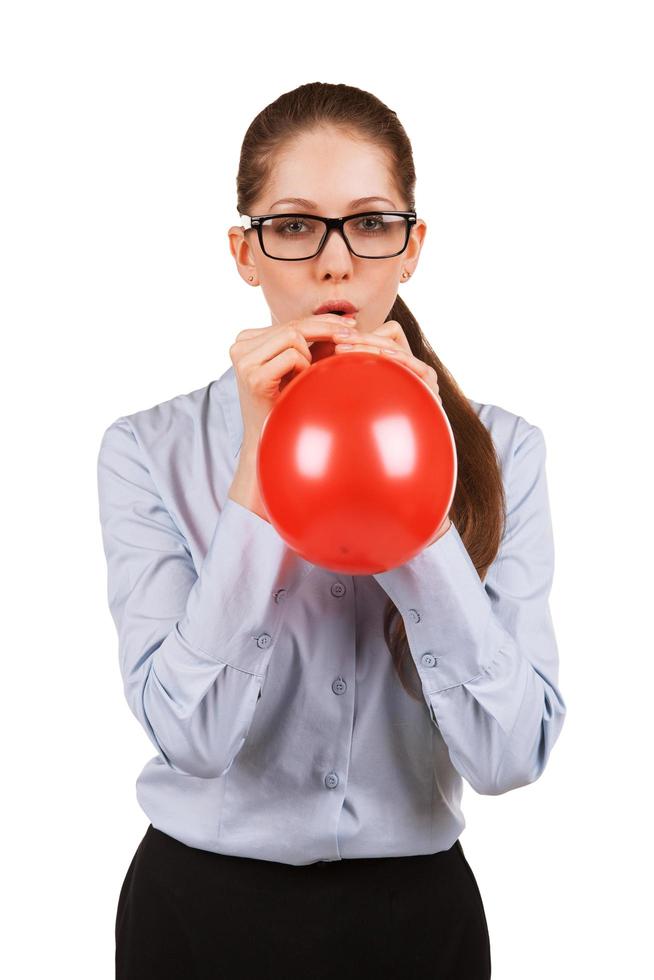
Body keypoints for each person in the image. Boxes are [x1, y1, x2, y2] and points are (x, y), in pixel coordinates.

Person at [97, 81, 567, 980]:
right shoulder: (145, 451)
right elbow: (188, 738)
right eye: (295, 225)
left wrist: (419, 518)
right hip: (196, 919)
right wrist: (258, 479)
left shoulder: (507, 448)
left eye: (371, 222)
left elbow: (513, 755)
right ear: (246, 251)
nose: (336, 263)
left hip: (417, 923)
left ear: (413, 245)